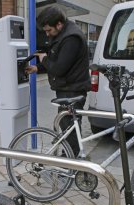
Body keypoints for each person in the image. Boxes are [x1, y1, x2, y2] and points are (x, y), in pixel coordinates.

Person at [25, 6, 90, 157]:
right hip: (67, 87)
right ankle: (71, 157)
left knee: (69, 126)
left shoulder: (71, 38)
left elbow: (59, 68)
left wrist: (43, 59)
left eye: (49, 30)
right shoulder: (62, 34)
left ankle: (70, 162)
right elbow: (56, 61)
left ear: (59, 24)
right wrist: (37, 68)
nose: (47, 34)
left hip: (73, 89)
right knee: (67, 124)